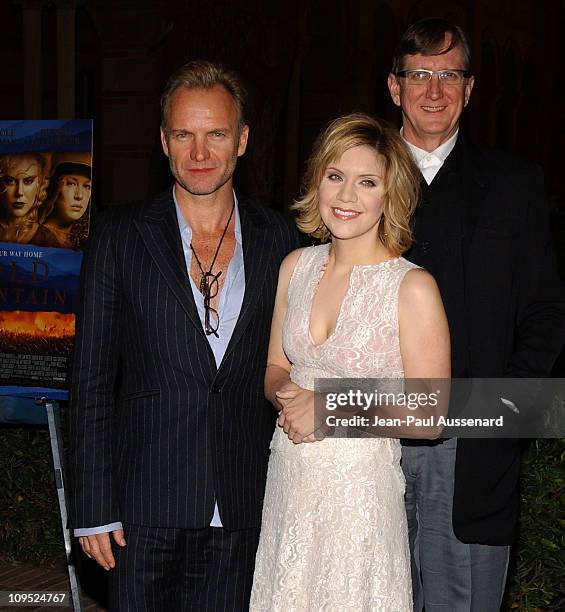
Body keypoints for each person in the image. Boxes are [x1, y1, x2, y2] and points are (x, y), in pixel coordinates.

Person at [68, 60, 304, 610]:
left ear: (242, 140)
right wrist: (94, 506)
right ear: (164, 142)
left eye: (216, 134)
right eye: (184, 135)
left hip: (246, 504)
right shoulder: (118, 237)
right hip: (141, 509)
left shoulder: (283, 240)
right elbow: (91, 380)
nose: (200, 153)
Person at [387, 18, 565, 611]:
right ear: (394, 87)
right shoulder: (358, 182)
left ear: (469, 88)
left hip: (475, 452)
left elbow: (544, 312)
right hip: (370, 440)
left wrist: (505, 417)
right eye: (420, 75)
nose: (434, 90)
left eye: (449, 75)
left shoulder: (515, 185)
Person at [250, 113, 450, 610]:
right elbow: (275, 368)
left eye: (367, 182)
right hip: (290, 483)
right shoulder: (295, 267)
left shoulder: (412, 287)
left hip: (359, 497)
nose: (346, 196)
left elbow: (432, 414)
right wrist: (288, 398)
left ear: (390, 195)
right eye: (335, 176)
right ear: (317, 180)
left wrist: (329, 408)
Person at [34, 152, 92, 249]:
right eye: (71, 184)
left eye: (87, 186)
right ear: (54, 187)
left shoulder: (87, 235)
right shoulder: (37, 237)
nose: (80, 195)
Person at [0, 152, 49, 244]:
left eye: (28, 181)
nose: (19, 192)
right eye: (10, 181)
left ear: (40, 184)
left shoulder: (48, 240)